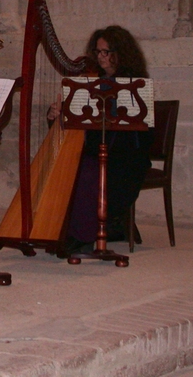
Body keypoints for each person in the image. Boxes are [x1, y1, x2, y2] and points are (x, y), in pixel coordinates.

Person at [47, 25, 154, 254]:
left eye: (107, 52)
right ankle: (65, 230)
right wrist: (57, 114)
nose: (101, 58)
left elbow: (139, 137)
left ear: (121, 53)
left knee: (86, 168)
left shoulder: (135, 84)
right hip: (99, 152)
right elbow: (77, 122)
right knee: (75, 166)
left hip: (126, 160)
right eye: (98, 52)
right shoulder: (90, 83)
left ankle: (82, 236)